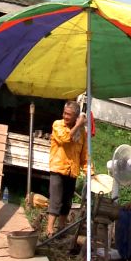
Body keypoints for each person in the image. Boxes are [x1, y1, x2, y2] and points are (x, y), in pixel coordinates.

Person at [47, 101, 88, 237]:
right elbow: (65, 139)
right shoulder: (57, 125)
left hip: (72, 172)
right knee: (56, 201)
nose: (65, 116)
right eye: (64, 113)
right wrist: (78, 125)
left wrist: (90, 172)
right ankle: (49, 230)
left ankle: (61, 229)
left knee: (66, 203)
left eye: (69, 114)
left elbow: (84, 154)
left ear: (76, 115)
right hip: (58, 168)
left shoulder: (82, 133)